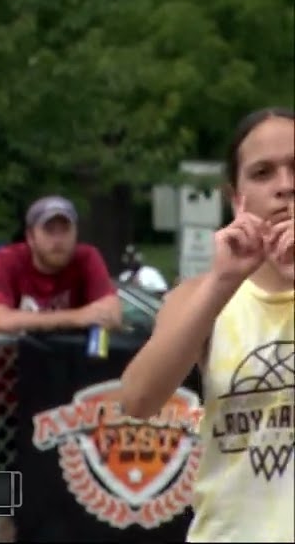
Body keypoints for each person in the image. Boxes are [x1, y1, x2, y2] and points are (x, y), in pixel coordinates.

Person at [120, 107, 293, 543]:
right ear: (237, 198)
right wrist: (221, 283)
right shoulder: (200, 294)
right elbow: (137, 400)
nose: (285, 186)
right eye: (263, 173)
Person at [0, 195, 120, 543]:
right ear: (30, 235)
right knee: (11, 504)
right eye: (48, 230)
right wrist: (77, 318)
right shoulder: (8, 260)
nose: (58, 239)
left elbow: (112, 311)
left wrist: (55, 321)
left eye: (64, 229)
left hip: (63, 401)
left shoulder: (86, 259)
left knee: (69, 498)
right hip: (4, 400)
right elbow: (1, 318)